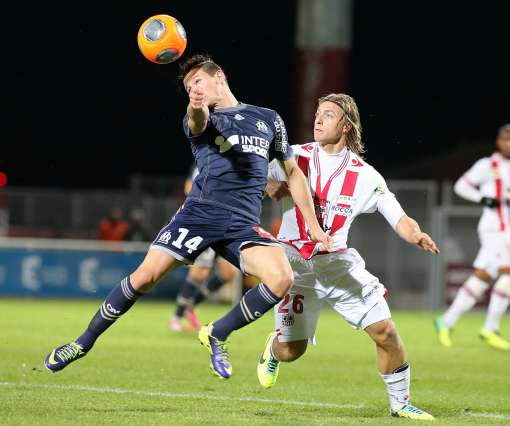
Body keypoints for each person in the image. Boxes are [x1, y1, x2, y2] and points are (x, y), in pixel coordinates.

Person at [44, 54, 331, 375]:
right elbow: (196, 121)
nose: (193, 89)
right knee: (145, 277)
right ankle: (82, 342)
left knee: (282, 278)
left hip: (242, 224)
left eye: (197, 82)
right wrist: (195, 106)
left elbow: (293, 173)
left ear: (218, 76)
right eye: (187, 87)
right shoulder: (203, 119)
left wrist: (315, 228)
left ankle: (217, 333)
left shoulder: (268, 119)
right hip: (199, 215)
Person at [256, 93, 439, 420]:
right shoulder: (292, 156)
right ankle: (273, 347)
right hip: (294, 266)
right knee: (290, 351)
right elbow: (253, 174)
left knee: (386, 331)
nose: (318, 119)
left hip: (337, 266)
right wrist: (269, 184)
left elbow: (398, 216)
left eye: (328, 115)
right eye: (317, 113)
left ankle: (401, 404)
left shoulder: (365, 176)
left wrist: (416, 234)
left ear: (346, 126)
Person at [434, 124, 510, 350]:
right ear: (499, 142)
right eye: (506, 139)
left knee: (482, 277)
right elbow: (461, 186)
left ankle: (445, 321)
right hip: (493, 227)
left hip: (507, 229)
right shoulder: (487, 165)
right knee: (508, 273)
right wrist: (482, 198)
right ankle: (490, 328)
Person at [170, 164, 240, 332]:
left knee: (229, 272)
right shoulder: (204, 161)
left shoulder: (234, 162)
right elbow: (189, 187)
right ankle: (177, 318)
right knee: (199, 272)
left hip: (228, 221)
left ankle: (191, 306)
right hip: (207, 220)